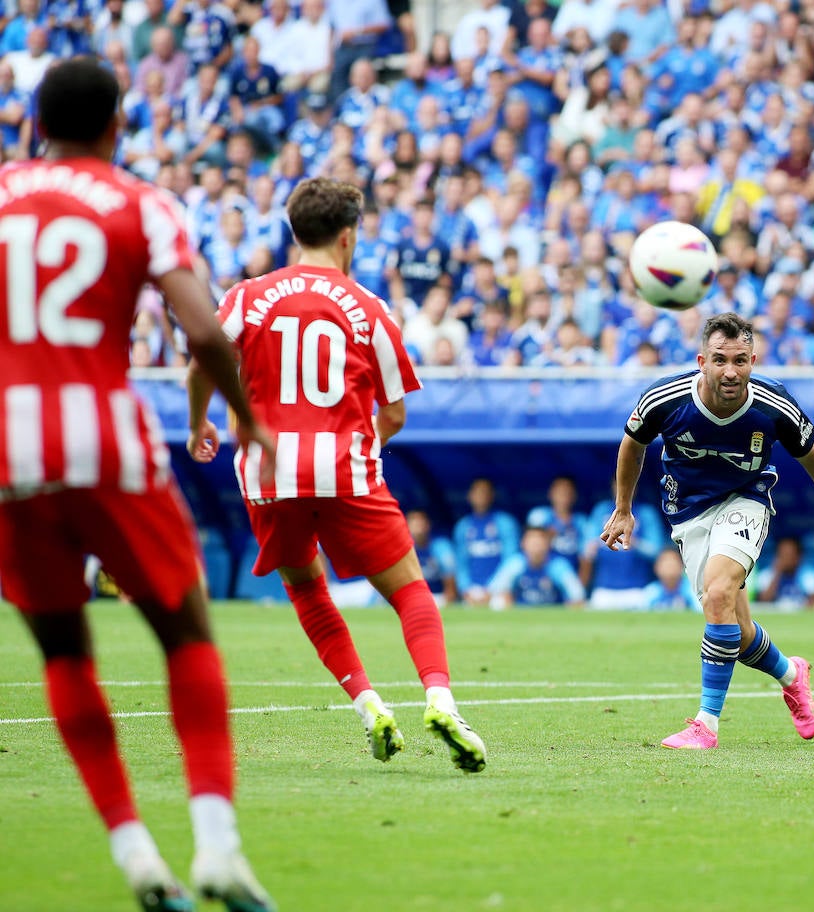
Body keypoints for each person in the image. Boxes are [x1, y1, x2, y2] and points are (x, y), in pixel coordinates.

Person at [0, 58, 275, 911]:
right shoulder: (140, 201)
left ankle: (134, 856)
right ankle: (218, 848)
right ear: (118, 124)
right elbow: (204, 331)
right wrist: (246, 418)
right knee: (186, 631)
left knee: (63, 650)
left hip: (12, 453)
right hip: (108, 446)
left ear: (33, 122)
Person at [186, 177, 487, 775]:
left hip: (268, 472)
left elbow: (203, 355)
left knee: (306, 590)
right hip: (345, 471)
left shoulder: (249, 295)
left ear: (293, 232)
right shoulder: (369, 307)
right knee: (408, 591)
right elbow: (395, 412)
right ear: (349, 236)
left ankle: (369, 704)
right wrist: (361, 448)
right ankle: (440, 700)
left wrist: (199, 424)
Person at [601, 313, 814, 749]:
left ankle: (706, 725)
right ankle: (791, 674)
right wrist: (623, 509)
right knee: (734, 631)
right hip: (687, 513)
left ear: (753, 359)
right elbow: (632, 444)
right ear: (701, 360)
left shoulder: (773, 403)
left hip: (746, 500)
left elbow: (811, 452)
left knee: (720, 594)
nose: (731, 371)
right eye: (721, 360)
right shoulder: (664, 399)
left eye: (741, 360)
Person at [453, 476, 521, 605]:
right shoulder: (463, 526)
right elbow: (461, 563)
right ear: (470, 495)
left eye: (485, 492)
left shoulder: (505, 522)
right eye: (477, 492)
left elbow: (510, 560)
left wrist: (492, 589)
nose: (481, 496)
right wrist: (466, 589)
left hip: (499, 591)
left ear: (492, 495)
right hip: (471, 593)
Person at [488, 526, 587, 609]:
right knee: (497, 602)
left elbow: (577, 594)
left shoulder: (558, 565)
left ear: (547, 544)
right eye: (531, 541)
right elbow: (497, 589)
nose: (535, 546)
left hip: (552, 614)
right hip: (520, 612)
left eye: (539, 541)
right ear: (523, 543)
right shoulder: (516, 563)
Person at [754, 536, 814, 610]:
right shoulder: (767, 574)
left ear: (798, 557)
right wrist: (777, 573)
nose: (785, 559)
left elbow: (812, 602)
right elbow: (763, 601)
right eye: (781, 555)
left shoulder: (809, 574)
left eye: (788, 555)